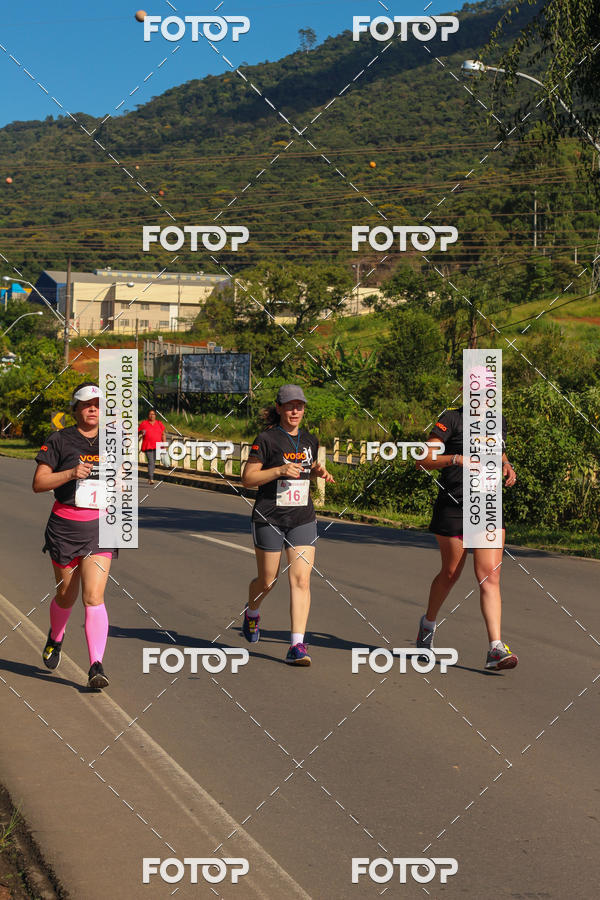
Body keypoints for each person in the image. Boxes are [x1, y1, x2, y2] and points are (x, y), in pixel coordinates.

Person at [415, 404, 518, 670]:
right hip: (454, 506)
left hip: (487, 508)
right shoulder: (451, 419)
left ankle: (495, 647)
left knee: (490, 576)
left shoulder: (498, 421)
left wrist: (506, 465)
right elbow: (423, 460)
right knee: (450, 573)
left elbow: (499, 452)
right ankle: (428, 624)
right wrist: (456, 459)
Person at [241, 384, 334, 665]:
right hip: (270, 517)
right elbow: (248, 478)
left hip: (302, 517)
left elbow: (308, 465)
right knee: (268, 580)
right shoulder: (266, 439)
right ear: (279, 408)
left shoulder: (310, 439)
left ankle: (297, 645)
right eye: (290, 406)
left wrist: (318, 470)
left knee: (301, 579)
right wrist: (279, 470)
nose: (295, 411)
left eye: (300, 406)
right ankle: (252, 611)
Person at [33, 382, 118, 690]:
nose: (93, 408)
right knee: (66, 596)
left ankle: (96, 665)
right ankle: (56, 637)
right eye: (86, 403)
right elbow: (39, 483)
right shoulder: (59, 440)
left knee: (93, 597)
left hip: (99, 527)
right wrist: (70, 473)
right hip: (65, 527)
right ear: (76, 408)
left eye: (98, 403)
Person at [138, 409, 165, 484]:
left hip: (157, 445)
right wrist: (141, 432)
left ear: (155, 416)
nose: (151, 416)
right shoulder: (144, 423)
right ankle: (151, 478)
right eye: (150, 414)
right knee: (151, 461)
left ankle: (150, 477)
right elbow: (138, 433)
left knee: (153, 461)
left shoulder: (159, 423)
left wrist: (164, 444)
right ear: (148, 415)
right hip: (148, 445)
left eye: (153, 414)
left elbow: (163, 434)